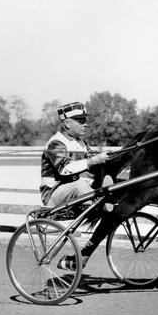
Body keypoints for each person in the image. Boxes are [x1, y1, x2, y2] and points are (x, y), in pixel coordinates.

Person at [40, 101, 110, 270]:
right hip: (53, 195)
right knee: (80, 184)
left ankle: (104, 202)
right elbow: (65, 170)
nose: (85, 123)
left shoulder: (81, 144)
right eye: (80, 120)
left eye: (85, 119)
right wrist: (93, 160)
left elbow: (91, 168)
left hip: (76, 192)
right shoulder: (56, 143)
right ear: (66, 123)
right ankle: (101, 205)